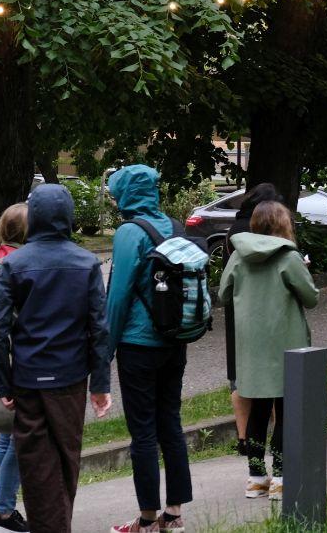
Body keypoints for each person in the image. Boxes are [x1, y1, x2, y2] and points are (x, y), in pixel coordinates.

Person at [0, 188, 111, 533]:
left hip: (27, 379)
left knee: (35, 467)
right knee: (66, 460)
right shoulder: (87, 263)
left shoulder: (14, 263)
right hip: (71, 379)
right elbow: (99, 328)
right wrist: (100, 384)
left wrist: (4, 382)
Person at [105, 165, 193, 533]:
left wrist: (102, 353)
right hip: (175, 340)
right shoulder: (173, 226)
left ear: (127, 195)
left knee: (142, 431)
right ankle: (173, 514)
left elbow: (118, 297)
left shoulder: (130, 232)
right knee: (170, 422)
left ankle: (145, 518)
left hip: (138, 345)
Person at [219, 201, 318, 500]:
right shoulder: (289, 257)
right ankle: (282, 476)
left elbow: (223, 293)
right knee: (285, 411)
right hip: (285, 343)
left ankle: (255, 477)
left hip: (250, 346)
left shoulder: (238, 255)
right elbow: (311, 298)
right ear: (282, 223)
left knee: (257, 412)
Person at [224, 182, 283, 460]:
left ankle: (243, 437)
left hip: (238, 313)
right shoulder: (271, 235)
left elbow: (224, 287)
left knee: (239, 377)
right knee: (272, 380)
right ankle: (276, 434)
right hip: (269, 314)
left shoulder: (234, 232)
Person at [0, 205, 28, 533]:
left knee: (5, 438)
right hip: (16, 357)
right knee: (17, 438)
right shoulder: (13, 265)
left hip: (0, 356)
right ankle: (3, 510)